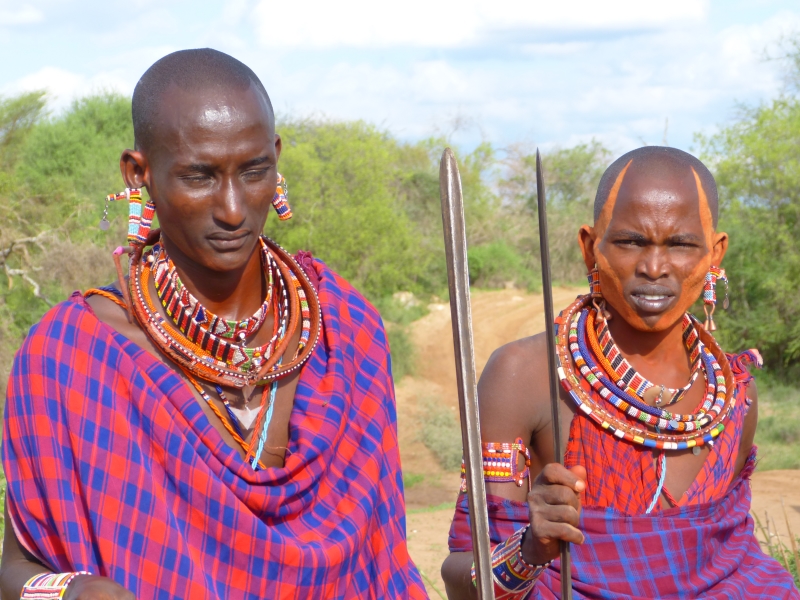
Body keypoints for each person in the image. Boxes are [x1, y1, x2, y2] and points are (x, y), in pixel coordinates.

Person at [0, 49, 426, 599]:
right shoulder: (72, 355)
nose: (232, 209)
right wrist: (75, 593)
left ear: (276, 158)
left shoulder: (342, 331)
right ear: (138, 173)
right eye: (198, 176)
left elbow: (381, 557)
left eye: (254, 172)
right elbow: (15, 570)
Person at [441, 146, 800, 599]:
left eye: (681, 244)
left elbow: (735, 557)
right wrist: (528, 550)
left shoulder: (734, 397)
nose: (654, 268)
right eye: (631, 242)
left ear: (715, 253)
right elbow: (460, 580)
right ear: (590, 247)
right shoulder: (525, 376)